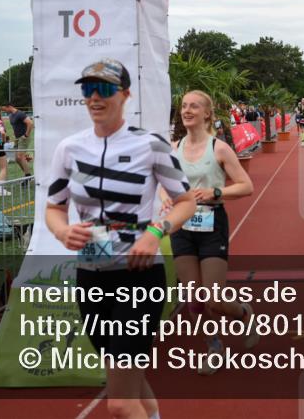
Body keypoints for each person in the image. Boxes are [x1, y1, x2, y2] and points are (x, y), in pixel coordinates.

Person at [45, 58, 195, 419]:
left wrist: (156, 233)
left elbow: (185, 202)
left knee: (120, 404)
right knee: (126, 378)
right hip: (91, 279)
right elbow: (54, 208)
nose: (95, 98)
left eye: (105, 89)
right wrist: (63, 230)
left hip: (138, 275)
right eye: (88, 90)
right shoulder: (69, 148)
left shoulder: (152, 146)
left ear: (125, 95)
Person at [170, 90, 256, 374]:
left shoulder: (218, 148)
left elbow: (246, 185)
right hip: (181, 227)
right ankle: (213, 346)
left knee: (214, 298)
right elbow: (163, 183)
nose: (187, 110)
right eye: (184, 106)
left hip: (211, 226)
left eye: (194, 106)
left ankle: (243, 313)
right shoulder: (174, 149)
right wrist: (163, 198)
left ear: (207, 113)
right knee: (194, 298)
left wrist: (215, 191)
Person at [2, 103, 33, 177]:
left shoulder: (20, 114)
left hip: (23, 138)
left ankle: (27, 177)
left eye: (5, 109)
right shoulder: (10, 115)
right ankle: (27, 175)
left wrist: (26, 135)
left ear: (9, 106)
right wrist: (14, 135)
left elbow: (30, 123)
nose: (4, 111)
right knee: (17, 159)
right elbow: (15, 126)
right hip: (17, 138)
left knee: (20, 156)